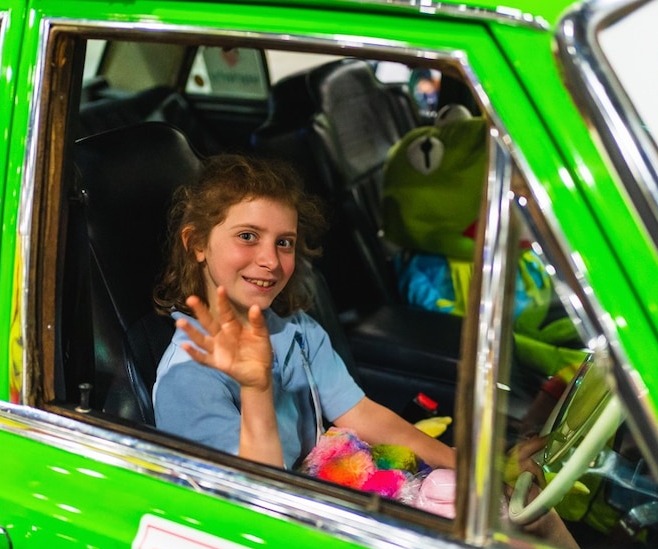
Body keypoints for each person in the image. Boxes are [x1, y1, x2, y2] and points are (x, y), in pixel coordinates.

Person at [152, 154, 456, 471]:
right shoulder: (186, 377)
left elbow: (360, 413)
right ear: (197, 243)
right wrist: (257, 389)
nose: (271, 260)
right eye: (247, 236)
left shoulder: (296, 330)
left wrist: (455, 462)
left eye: (284, 242)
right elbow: (251, 498)